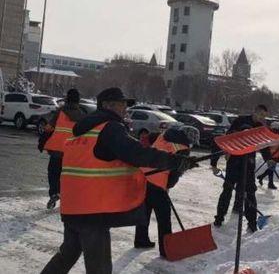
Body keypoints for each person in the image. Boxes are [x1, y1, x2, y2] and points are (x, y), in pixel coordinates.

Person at [41, 88, 197, 274]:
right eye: (122, 104)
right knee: (100, 268)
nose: (125, 109)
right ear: (108, 105)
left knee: (67, 254)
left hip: (73, 205)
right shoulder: (109, 128)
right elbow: (138, 153)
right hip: (92, 210)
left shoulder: (83, 131)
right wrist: (176, 161)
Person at [134, 125, 200, 258]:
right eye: (192, 142)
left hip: (144, 176)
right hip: (158, 182)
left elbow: (146, 142)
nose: (192, 145)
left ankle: (141, 240)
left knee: (145, 211)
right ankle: (166, 250)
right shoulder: (183, 148)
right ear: (189, 139)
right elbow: (176, 172)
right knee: (164, 218)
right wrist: (168, 185)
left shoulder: (163, 135)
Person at [213, 104, 273, 233]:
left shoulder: (260, 128)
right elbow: (228, 136)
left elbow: (264, 145)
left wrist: (269, 159)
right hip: (235, 159)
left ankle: (251, 222)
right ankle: (219, 218)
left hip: (249, 161)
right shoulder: (240, 120)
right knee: (227, 189)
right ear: (255, 112)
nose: (262, 118)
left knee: (250, 191)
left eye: (264, 116)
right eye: (261, 114)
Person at [38, 89, 86, 209]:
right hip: (73, 153)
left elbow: (49, 127)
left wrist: (43, 137)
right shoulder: (82, 115)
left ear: (67, 99)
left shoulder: (61, 112)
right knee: (67, 175)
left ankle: (54, 193)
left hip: (57, 151)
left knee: (53, 173)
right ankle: (66, 195)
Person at [257, 122, 279, 190]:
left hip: (275, 155)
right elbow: (268, 146)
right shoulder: (271, 135)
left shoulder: (278, 134)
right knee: (272, 169)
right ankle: (270, 183)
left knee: (271, 169)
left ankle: (262, 178)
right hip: (271, 155)